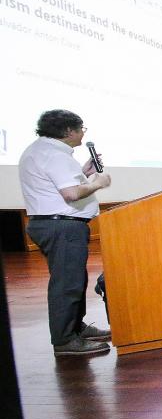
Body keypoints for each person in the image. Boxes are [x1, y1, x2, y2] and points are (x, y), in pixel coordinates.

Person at [18, 110, 113, 356]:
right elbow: (71, 194)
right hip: (62, 227)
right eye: (81, 129)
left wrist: (84, 172)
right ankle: (65, 340)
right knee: (67, 284)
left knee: (73, 279)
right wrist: (98, 183)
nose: (83, 133)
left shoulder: (41, 151)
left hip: (55, 224)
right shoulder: (54, 155)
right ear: (69, 131)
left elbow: (57, 185)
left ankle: (74, 328)